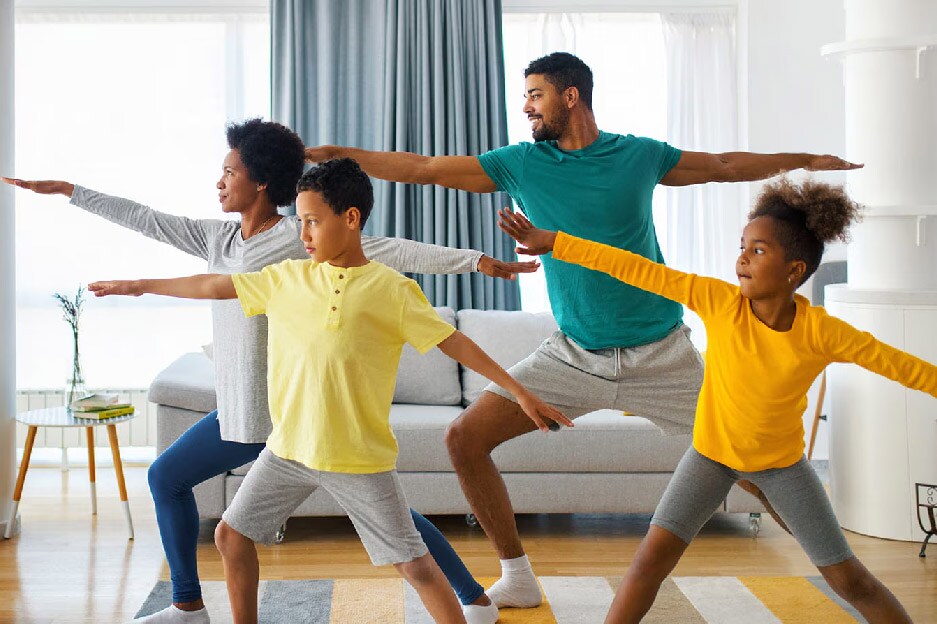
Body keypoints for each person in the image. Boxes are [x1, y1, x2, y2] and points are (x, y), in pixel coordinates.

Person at [303, 51, 863, 608]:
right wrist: (341, 156)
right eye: (524, 96)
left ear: (571, 96)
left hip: (663, 356)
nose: (525, 107)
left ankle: (842, 575)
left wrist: (805, 159)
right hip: (572, 355)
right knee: (464, 437)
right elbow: (425, 169)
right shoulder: (519, 162)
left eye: (535, 95)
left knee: (758, 471)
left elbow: (720, 164)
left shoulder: (638, 156)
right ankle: (516, 574)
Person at [3, 119, 538, 624]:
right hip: (256, 410)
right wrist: (73, 192)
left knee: (389, 528)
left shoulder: (302, 242)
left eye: (230, 171)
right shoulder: (220, 240)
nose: (220, 181)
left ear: (260, 182)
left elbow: (388, 249)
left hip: (277, 412)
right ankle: (469, 595)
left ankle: (192, 603)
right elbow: (147, 220)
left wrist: (472, 260)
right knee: (364, 518)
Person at [497, 178, 929, 624]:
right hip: (709, 457)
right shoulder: (721, 303)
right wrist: (556, 243)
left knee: (849, 580)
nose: (742, 258)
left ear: (794, 270)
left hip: (781, 468)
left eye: (758, 250)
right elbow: (635, 268)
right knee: (649, 564)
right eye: (742, 246)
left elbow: (898, 364)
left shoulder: (823, 331)